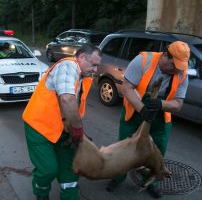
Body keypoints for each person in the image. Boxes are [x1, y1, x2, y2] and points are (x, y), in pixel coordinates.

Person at [106, 41, 190, 198]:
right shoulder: (142, 61)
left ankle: (152, 181)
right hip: (134, 112)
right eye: (174, 66)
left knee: (157, 152)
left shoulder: (182, 74)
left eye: (180, 67)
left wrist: (160, 103)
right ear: (166, 55)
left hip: (160, 118)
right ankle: (118, 177)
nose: (177, 70)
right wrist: (142, 109)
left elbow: (178, 104)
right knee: (124, 148)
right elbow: (126, 87)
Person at [22, 44, 102, 200]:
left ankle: (70, 195)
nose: (95, 70)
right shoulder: (68, 66)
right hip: (39, 127)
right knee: (47, 170)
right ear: (82, 58)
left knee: (69, 169)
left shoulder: (82, 77)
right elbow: (66, 98)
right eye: (94, 65)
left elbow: (73, 108)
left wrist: (78, 132)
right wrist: (78, 129)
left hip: (63, 130)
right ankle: (41, 193)